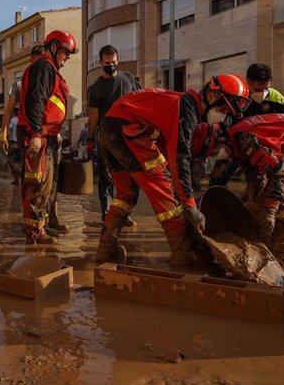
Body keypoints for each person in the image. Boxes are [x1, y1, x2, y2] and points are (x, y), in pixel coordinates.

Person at [95, 74, 252, 264]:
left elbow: (169, 152)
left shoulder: (177, 103)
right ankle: (182, 250)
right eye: (223, 108)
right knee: (164, 194)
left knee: (126, 193)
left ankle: (106, 249)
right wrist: (189, 205)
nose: (223, 114)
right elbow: (180, 159)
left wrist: (181, 189)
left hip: (108, 130)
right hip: (128, 131)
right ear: (211, 95)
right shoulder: (186, 109)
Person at [192, 114, 284, 264]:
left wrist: (269, 209)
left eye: (213, 152)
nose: (214, 157)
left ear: (219, 141)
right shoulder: (236, 140)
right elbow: (254, 171)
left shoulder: (246, 140)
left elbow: (279, 174)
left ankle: (283, 255)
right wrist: (253, 191)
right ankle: (268, 243)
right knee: (264, 191)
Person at [17, 30, 77, 245]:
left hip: (47, 134)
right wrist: (35, 134)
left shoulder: (49, 69)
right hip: (39, 135)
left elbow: (49, 106)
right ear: (53, 46)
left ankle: (39, 229)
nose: (68, 57)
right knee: (37, 184)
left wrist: (56, 130)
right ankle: (34, 234)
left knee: (46, 185)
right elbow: (35, 101)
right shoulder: (43, 67)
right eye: (66, 52)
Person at [207, 63, 284, 187]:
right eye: (258, 89)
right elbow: (220, 123)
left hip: (265, 149)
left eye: (266, 89)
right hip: (236, 145)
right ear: (248, 81)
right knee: (217, 179)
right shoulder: (237, 97)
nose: (262, 93)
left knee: (264, 184)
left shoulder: (278, 100)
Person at [86, 44, 141, 223]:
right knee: (107, 177)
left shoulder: (129, 79)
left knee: (128, 177)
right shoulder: (95, 88)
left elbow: (139, 100)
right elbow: (93, 116)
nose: (111, 65)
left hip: (128, 137)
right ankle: (107, 215)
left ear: (118, 60)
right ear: (101, 63)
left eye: (114, 61)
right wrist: (90, 139)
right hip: (105, 140)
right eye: (107, 62)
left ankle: (124, 213)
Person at [0, 46, 44, 185]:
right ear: (31, 59)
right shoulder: (19, 85)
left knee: (46, 174)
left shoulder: (49, 81)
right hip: (25, 135)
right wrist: (3, 134)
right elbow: (8, 111)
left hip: (45, 134)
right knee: (29, 171)